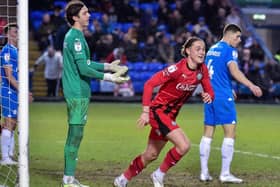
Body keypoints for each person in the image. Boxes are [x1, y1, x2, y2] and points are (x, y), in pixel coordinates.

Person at [114, 36, 214, 187]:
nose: (202, 52)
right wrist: (145, 111)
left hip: (169, 115)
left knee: (151, 154)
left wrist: (208, 96)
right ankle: (158, 175)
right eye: (198, 49)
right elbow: (149, 84)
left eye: (204, 49)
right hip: (158, 112)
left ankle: (122, 179)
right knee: (184, 145)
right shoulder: (176, 69)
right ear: (188, 51)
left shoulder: (202, 70)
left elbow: (210, 92)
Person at [61, 1, 129, 187]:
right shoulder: (75, 37)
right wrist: (109, 78)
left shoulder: (76, 36)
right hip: (77, 92)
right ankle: (68, 180)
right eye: (85, 13)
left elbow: (87, 63)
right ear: (75, 17)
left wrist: (108, 65)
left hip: (77, 91)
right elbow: (83, 68)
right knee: (75, 134)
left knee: (76, 134)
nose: (89, 15)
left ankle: (69, 178)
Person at [199, 24, 263, 183]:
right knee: (230, 133)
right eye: (237, 37)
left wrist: (226, 87)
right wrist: (251, 85)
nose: (239, 40)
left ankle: (204, 173)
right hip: (222, 96)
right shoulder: (229, 50)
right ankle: (225, 173)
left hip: (210, 94)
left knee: (208, 132)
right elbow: (234, 71)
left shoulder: (212, 49)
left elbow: (209, 73)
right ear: (228, 35)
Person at [0, 23, 32, 165]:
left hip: (15, 92)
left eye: (18, 31)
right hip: (9, 91)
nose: (17, 33)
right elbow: (9, 76)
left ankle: (9, 155)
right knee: (9, 123)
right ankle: (5, 158)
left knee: (14, 124)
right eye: (14, 31)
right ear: (7, 34)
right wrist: (23, 92)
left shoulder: (16, 51)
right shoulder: (7, 51)